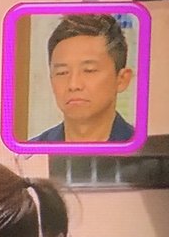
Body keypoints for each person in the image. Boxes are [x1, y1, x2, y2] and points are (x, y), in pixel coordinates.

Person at [30, 14, 134, 143]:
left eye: (89, 70)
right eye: (62, 73)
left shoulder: (147, 150)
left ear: (122, 79)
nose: (73, 85)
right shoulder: (32, 150)